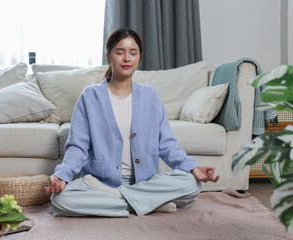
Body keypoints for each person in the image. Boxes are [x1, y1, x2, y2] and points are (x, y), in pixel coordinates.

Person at [44, 28, 219, 217]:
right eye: (120, 52)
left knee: (192, 184)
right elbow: (78, 147)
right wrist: (62, 175)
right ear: (109, 57)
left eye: (133, 53)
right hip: (100, 184)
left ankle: (118, 198)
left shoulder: (150, 96)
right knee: (61, 201)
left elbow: (167, 145)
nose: (127, 58)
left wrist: (192, 167)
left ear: (139, 58)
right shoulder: (90, 96)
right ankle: (148, 203)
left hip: (145, 183)